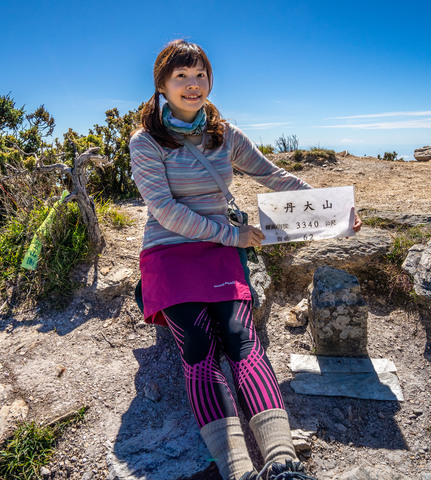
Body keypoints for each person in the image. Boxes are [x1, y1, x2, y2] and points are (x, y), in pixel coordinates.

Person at [129, 39, 361, 480]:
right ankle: (236, 470)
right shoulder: (146, 142)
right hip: (169, 249)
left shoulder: (224, 134)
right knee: (198, 345)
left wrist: (332, 209)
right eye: (181, 77)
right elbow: (165, 211)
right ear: (162, 84)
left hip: (220, 249)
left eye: (200, 75)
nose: (193, 85)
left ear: (210, 81)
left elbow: (272, 174)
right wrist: (232, 234)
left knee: (240, 335)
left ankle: (281, 460)